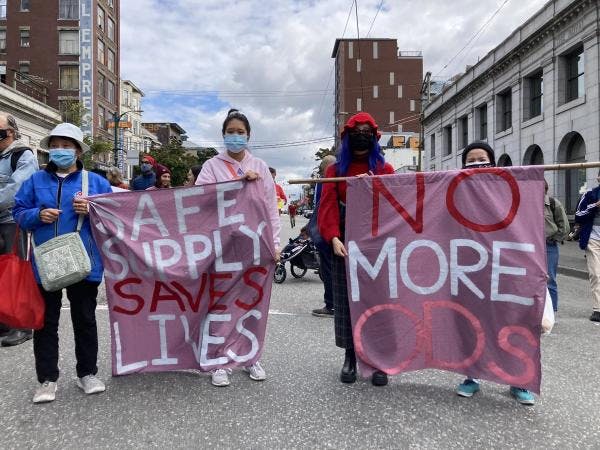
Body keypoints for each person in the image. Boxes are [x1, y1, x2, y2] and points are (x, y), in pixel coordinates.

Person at [13, 123, 112, 404]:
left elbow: (115, 217)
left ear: (78, 150)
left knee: (85, 319)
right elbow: (18, 212)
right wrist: (37, 215)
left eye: (67, 146)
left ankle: (88, 374)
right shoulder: (34, 181)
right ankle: (47, 379)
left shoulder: (96, 182)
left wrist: (93, 210)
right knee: (45, 323)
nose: (60, 151)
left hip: (85, 263)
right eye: (55, 145)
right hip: (45, 265)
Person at [196, 108, 280, 387]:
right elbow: (201, 201)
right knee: (220, 302)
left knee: (252, 301)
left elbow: (271, 210)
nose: (235, 136)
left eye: (239, 132)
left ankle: (250, 355)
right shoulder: (211, 167)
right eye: (230, 132)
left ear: (248, 135)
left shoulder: (261, 168)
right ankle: (219, 359)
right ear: (223, 135)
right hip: (222, 246)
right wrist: (236, 184)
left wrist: (275, 244)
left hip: (255, 245)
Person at [455, 141, 535, 405]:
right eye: (472, 160)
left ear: (493, 163)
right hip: (470, 268)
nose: (477, 164)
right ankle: (472, 376)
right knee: (472, 322)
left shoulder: (509, 189)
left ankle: (518, 380)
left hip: (506, 267)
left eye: (483, 159)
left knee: (511, 321)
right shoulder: (454, 191)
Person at [317, 112, 394, 386]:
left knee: (378, 301)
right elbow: (326, 207)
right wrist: (333, 238)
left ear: (374, 137)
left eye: (366, 130)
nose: (361, 134)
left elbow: (395, 208)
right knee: (348, 301)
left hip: (377, 243)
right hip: (345, 241)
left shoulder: (386, 171)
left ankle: (378, 358)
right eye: (356, 130)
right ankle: (350, 355)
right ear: (347, 137)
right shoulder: (334, 171)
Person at [0, 113, 38, 347]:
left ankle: (22, 325)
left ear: (10, 133)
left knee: (16, 271)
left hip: (13, 221)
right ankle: (5, 321)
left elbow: (16, 189)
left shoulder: (23, 155)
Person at [311, 154, 336, 318]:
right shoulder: (330, 181)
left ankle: (331, 305)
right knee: (332, 269)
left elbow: (322, 209)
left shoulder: (327, 182)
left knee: (328, 269)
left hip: (327, 234)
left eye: (322, 170)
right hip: (329, 232)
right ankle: (335, 304)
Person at [575, 171, 600, 322]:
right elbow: (578, 215)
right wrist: (594, 206)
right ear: (598, 177)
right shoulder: (590, 194)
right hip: (593, 239)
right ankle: (598, 309)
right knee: (596, 274)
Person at [544, 179, 569, 313]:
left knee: (550, 279)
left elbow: (564, 228)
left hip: (549, 246)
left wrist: (553, 239)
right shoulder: (527, 203)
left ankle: (551, 311)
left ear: (545, 189)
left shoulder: (553, 204)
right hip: (531, 247)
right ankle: (535, 310)